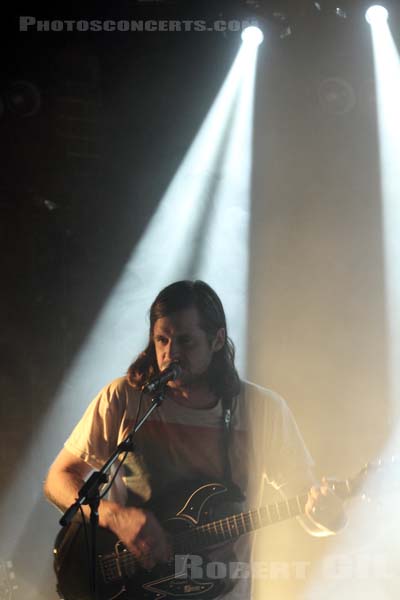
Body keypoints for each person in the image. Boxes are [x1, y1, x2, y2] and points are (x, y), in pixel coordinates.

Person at [44, 280, 346, 599]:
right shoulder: (123, 398)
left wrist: (329, 515)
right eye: (161, 340)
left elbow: (309, 509)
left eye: (186, 341)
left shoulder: (262, 410)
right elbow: (58, 479)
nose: (170, 353)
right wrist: (116, 517)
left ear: (217, 340)